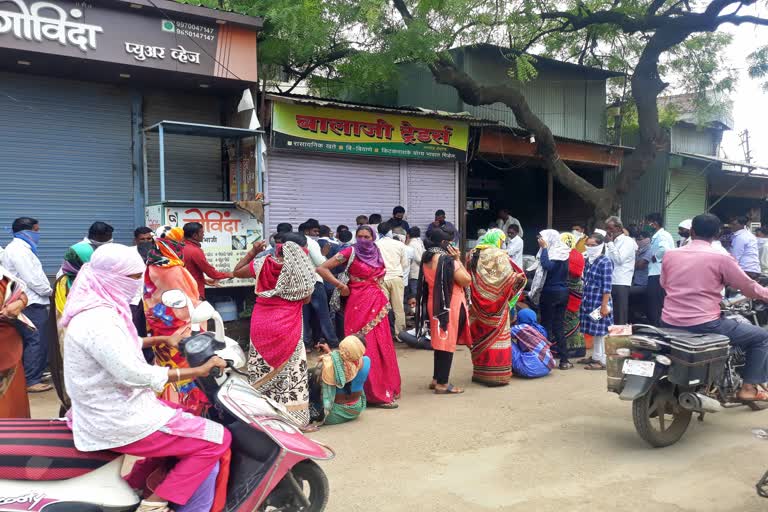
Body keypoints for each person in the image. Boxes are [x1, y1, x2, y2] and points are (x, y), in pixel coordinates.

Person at [60, 243, 230, 512]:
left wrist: (163, 338)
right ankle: (155, 503)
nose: (139, 284)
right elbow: (134, 373)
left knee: (185, 416)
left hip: (114, 406)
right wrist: (198, 371)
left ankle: (138, 485)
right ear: (112, 278)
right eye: (134, 278)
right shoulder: (99, 320)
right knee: (216, 438)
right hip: (116, 416)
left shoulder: (100, 307)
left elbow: (120, 346)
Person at [661, 214, 768, 401]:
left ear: (691, 231)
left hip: (668, 320)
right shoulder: (722, 257)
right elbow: (748, 287)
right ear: (717, 234)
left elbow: (664, 283)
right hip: (705, 323)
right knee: (761, 337)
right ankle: (748, 388)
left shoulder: (671, 254)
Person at [232, 233, 316, 427]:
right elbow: (306, 299)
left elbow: (236, 272)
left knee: (262, 369)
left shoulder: (262, 264)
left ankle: (263, 420)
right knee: (292, 371)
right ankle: (296, 422)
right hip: (287, 324)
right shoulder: (300, 268)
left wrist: (252, 252)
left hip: (262, 323)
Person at [317, 225, 401, 408]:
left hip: (378, 303)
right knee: (360, 346)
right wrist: (341, 286)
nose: (363, 240)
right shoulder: (350, 251)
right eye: (360, 236)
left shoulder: (377, 251)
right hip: (358, 304)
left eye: (367, 236)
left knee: (381, 344)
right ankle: (367, 393)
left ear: (373, 237)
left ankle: (384, 387)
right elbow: (322, 268)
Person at [143, 226, 208, 415]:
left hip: (158, 327)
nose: (181, 246)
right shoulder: (173, 270)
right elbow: (185, 306)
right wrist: (199, 306)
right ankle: (184, 408)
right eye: (180, 243)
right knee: (184, 371)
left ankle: (164, 404)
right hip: (179, 330)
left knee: (164, 368)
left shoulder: (152, 264)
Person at [415, 226, 472, 394]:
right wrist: (458, 259)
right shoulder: (447, 260)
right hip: (450, 303)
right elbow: (466, 280)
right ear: (444, 243)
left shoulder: (427, 258)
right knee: (447, 342)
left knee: (440, 342)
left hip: (434, 302)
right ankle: (443, 383)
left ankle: (436, 378)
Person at [466, 229, 526, 386]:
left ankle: (480, 373)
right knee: (497, 339)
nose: (502, 242)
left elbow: (470, 277)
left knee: (480, 336)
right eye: (502, 239)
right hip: (497, 306)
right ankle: (498, 376)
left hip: (477, 305)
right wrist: (517, 278)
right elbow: (506, 278)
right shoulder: (499, 255)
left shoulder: (472, 253)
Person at [1, 217, 53, 393]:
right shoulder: (19, 251)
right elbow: (33, 279)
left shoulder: (21, 249)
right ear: (25, 231)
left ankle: (32, 374)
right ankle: (32, 380)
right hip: (30, 302)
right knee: (35, 340)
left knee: (31, 339)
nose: (38, 234)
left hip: (28, 300)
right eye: (36, 230)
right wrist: (50, 291)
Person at [532, 229, 572, 370]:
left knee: (546, 326)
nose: (540, 241)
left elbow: (547, 266)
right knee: (558, 326)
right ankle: (564, 360)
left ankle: (545, 359)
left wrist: (544, 248)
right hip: (562, 292)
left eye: (542, 239)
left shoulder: (553, 253)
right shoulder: (563, 251)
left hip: (550, 293)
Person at [314, 335, 370, 425]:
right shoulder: (366, 361)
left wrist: (330, 355)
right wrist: (329, 352)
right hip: (356, 410)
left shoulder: (329, 364)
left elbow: (340, 364)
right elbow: (347, 364)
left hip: (333, 415)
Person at [301, 219, 338, 349]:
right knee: (323, 315)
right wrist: (324, 255)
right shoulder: (310, 242)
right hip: (315, 281)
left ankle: (306, 343)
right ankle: (332, 342)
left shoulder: (292, 242)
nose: (317, 234)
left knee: (304, 316)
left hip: (300, 283)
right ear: (307, 231)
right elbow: (320, 262)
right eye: (315, 231)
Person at [580, 231, 614, 370]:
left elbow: (607, 287)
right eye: (587, 245)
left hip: (601, 302)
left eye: (592, 245)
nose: (589, 247)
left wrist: (604, 306)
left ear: (600, 246)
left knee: (602, 332)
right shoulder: (588, 260)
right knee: (594, 331)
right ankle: (595, 357)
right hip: (590, 300)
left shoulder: (605, 261)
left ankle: (603, 361)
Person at [0, 264, 31, 417]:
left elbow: (22, 295)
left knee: (11, 400)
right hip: (8, 345)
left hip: (8, 345)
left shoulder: (3, 277)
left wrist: (19, 303)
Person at [182, 222, 233, 299]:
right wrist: (231, 274)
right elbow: (212, 273)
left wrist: (204, 280)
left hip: (182, 289)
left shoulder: (179, 247)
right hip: (194, 292)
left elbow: (187, 271)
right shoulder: (195, 251)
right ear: (195, 235)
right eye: (202, 233)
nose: (203, 235)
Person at [376, 222, 409, 336]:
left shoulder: (376, 244)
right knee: (399, 308)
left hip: (381, 279)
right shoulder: (399, 244)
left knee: (382, 308)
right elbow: (404, 264)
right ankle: (401, 334)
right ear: (390, 231)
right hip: (396, 277)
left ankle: (383, 334)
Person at [604, 216, 637, 326]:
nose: (608, 231)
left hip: (620, 282)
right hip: (608, 282)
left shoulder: (627, 241)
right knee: (605, 312)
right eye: (607, 229)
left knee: (619, 315)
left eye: (610, 228)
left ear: (618, 228)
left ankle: (620, 341)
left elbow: (619, 260)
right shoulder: (611, 242)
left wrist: (609, 244)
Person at [645, 212, 675, 326]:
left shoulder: (662, 235)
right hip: (656, 272)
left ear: (655, 223)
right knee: (655, 303)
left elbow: (664, 249)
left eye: (648, 223)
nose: (647, 225)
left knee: (655, 303)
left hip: (658, 273)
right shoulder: (659, 235)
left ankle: (658, 327)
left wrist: (655, 257)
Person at [560, 233, 586, 360]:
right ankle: (578, 347)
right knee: (574, 318)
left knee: (567, 319)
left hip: (570, 289)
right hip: (577, 289)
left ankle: (571, 348)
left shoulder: (565, 255)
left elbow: (572, 272)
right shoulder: (578, 254)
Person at [630, 229, 652, 322]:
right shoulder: (639, 250)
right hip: (636, 281)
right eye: (637, 239)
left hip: (644, 282)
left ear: (647, 239)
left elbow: (640, 265)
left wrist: (632, 263)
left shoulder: (650, 249)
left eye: (641, 239)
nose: (639, 241)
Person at [407, 227, 425, 299]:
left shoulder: (411, 244)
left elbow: (417, 258)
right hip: (419, 271)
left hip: (414, 271)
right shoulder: (419, 242)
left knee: (414, 291)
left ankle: (414, 308)